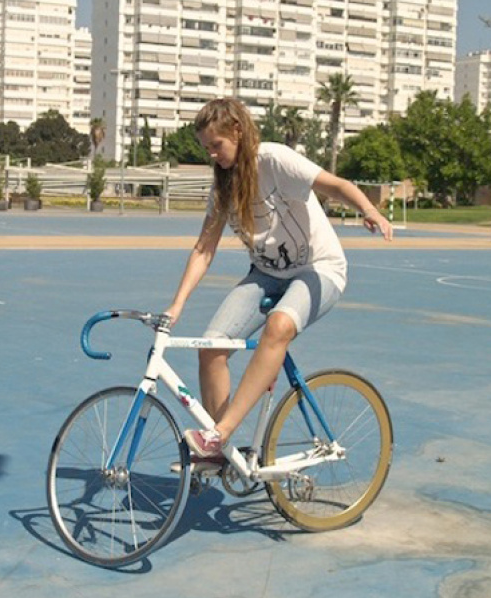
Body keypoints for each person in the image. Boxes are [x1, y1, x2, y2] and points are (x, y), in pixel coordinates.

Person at [163, 98, 393, 461]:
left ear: (237, 131)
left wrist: (368, 209)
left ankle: (219, 434)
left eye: (216, 146)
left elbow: (335, 185)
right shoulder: (223, 186)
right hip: (267, 274)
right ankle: (222, 457)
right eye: (207, 149)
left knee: (279, 325)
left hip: (319, 269)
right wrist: (177, 305)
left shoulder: (274, 160)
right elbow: (204, 248)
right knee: (210, 349)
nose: (213, 156)